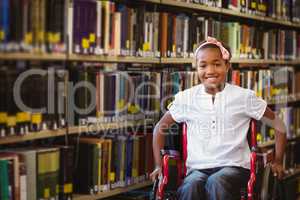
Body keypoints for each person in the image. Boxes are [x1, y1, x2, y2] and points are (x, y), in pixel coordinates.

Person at [150, 36, 287, 200]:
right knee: (190, 185)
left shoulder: (244, 97)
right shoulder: (186, 98)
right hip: (197, 169)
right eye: (203, 65)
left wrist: (278, 160)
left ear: (227, 65)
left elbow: (279, 125)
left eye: (216, 64)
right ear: (196, 68)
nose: (210, 71)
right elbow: (160, 128)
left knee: (217, 182)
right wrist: (158, 165)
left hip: (235, 167)